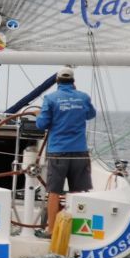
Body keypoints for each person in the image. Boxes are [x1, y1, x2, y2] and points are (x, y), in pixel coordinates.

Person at [35, 66, 96, 236]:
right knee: (77, 192)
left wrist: (39, 114)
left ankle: (51, 230)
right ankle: (76, 231)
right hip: (80, 152)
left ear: (57, 81)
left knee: (54, 192)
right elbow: (90, 115)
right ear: (73, 81)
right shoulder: (83, 97)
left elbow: (41, 124)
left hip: (58, 153)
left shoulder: (50, 99)